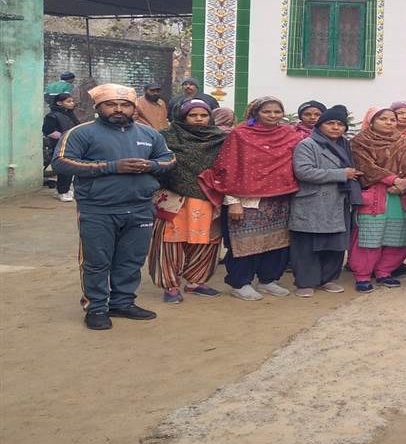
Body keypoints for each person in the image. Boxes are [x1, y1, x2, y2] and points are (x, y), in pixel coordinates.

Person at [52, 83, 176, 330]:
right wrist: (111, 167)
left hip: (140, 207)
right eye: (111, 104)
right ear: (98, 107)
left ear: (133, 108)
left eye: (125, 105)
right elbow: (62, 162)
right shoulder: (81, 133)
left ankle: (122, 302)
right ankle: (96, 308)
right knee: (96, 261)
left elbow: (168, 158)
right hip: (98, 208)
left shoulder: (149, 134)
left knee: (131, 260)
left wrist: (151, 166)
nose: (119, 109)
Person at [199, 96, 301, 302]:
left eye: (277, 112)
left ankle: (268, 280)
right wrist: (233, 201)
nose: (273, 115)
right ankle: (240, 283)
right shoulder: (240, 134)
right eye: (267, 112)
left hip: (279, 198)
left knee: (277, 242)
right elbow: (227, 168)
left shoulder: (289, 134)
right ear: (256, 113)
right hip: (246, 199)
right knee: (245, 243)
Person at [148, 99, 226, 303]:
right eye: (193, 115)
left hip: (208, 197)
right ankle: (170, 285)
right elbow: (157, 164)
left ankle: (196, 281)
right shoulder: (166, 137)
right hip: (174, 198)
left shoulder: (220, 138)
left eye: (204, 115)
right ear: (183, 116)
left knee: (206, 241)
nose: (199, 119)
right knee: (169, 241)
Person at [289, 105, 361, 297]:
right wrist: (341, 174)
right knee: (308, 245)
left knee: (335, 244)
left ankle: (328, 279)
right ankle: (305, 282)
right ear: (320, 125)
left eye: (340, 124)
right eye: (330, 123)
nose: (336, 127)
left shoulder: (345, 145)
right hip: (313, 202)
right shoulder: (308, 144)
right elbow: (304, 172)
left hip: (339, 201)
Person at [348, 107, 406, 292]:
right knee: (369, 237)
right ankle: (363, 275)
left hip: (400, 195)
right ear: (371, 121)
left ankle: (384, 271)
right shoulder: (360, 141)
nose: (389, 122)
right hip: (374, 195)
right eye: (383, 119)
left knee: (397, 237)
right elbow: (365, 166)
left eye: (392, 119)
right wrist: (392, 180)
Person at [43, 92, 81, 201]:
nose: (72, 103)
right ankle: (62, 191)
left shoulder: (70, 114)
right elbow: (48, 131)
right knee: (65, 168)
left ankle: (62, 189)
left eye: (72, 101)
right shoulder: (52, 116)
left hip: (72, 144)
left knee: (71, 167)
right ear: (59, 103)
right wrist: (64, 137)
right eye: (68, 101)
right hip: (59, 145)